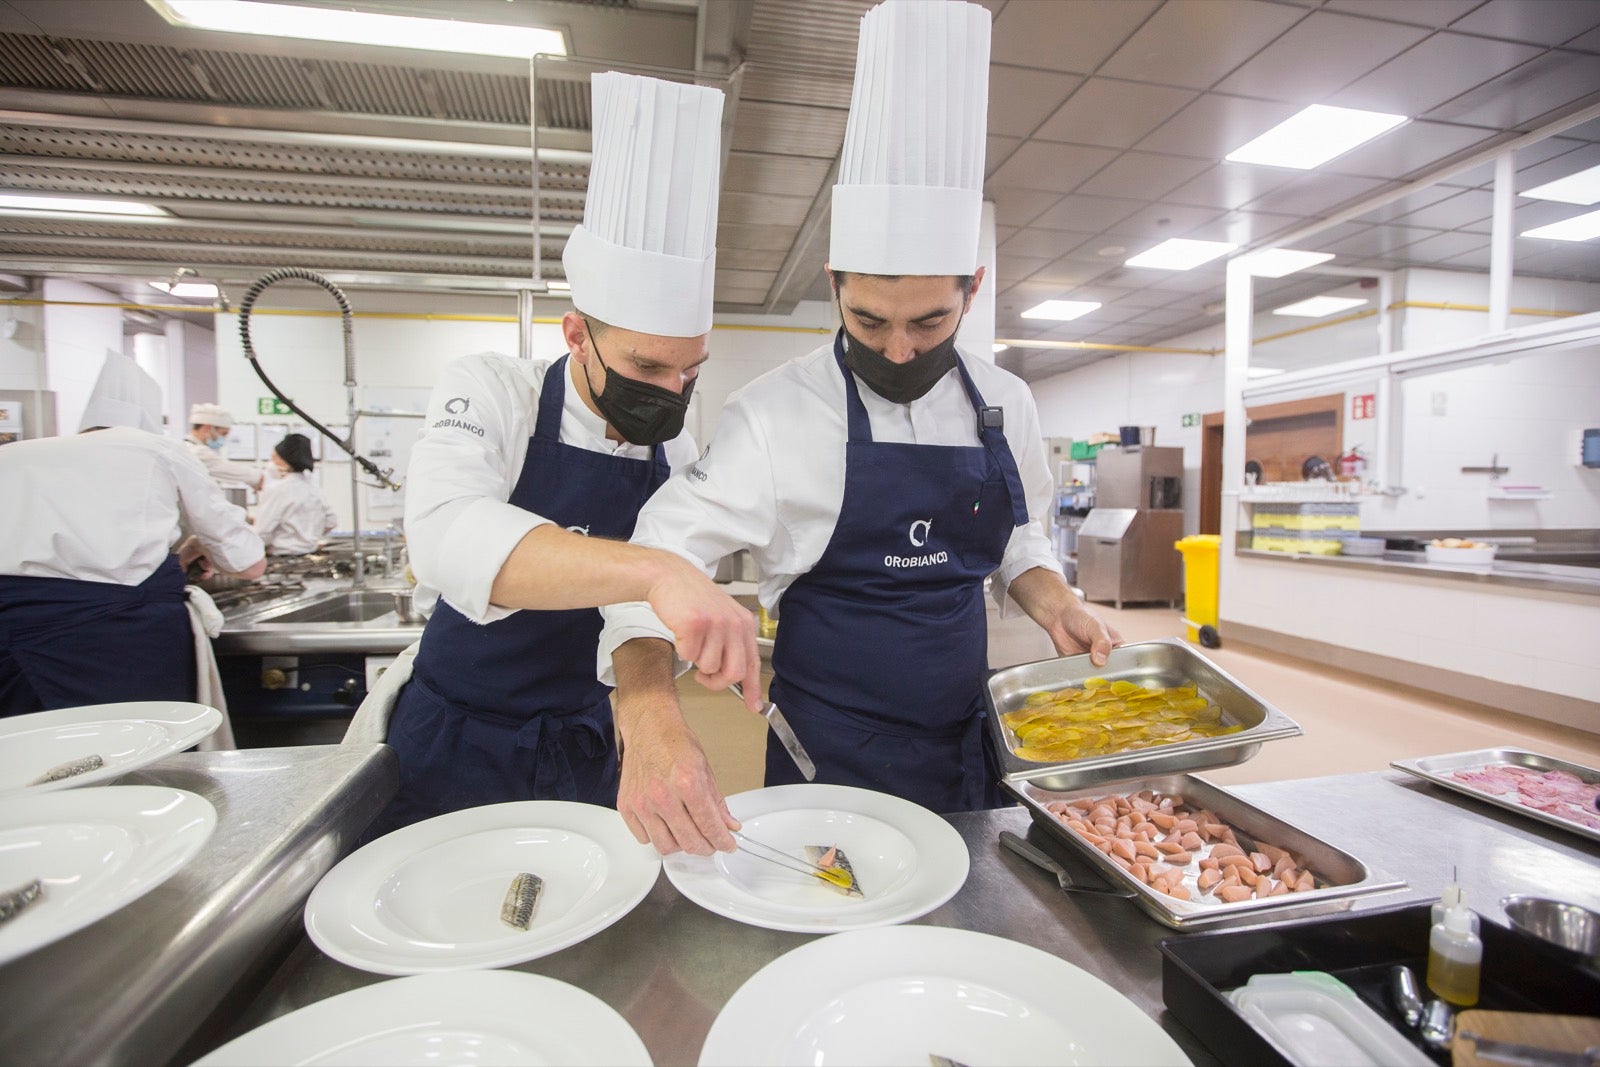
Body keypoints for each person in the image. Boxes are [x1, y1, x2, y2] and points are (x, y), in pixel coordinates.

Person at [601, 0, 1122, 855]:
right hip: (829, 762)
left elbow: (1017, 535)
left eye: (929, 321)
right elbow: (654, 561)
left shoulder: (1006, 403)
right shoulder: (775, 414)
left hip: (970, 749)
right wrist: (650, 708)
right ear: (835, 279)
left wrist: (1053, 598)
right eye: (870, 320)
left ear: (972, 287)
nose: (900, 349)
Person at [362, 71, 759, 837]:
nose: (671, 392)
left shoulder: (674, 447)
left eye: (690, 371)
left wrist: (649, 712)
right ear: (576, 334)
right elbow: (445, 534)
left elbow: (631, 616)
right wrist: (658, 568)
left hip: (581, 739)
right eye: (647, 366)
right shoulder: (492, 390)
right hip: (454, 735)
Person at [0, 353, 265, 716]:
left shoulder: (12, 455)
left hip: (10, 640)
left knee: (22, 744)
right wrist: (200, 547)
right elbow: (248, 563)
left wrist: (181, 555)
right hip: (114, 641)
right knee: (131, 744)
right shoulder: (158, 449)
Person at [254, 433, 337, 555]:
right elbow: (331, 522)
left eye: (274, 458)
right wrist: (307, 538)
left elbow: (262, 532)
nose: (271, 463)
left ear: (285, 461)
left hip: (281, 556)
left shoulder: (276, 490)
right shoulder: (315, 489)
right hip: (310, 554)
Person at [185, 402, 263, 492]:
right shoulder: (196, 452)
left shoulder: (188, 447)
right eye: (223, 434)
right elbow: (228, 469)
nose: (223, 439)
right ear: (207, 428)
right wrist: (259, 477)